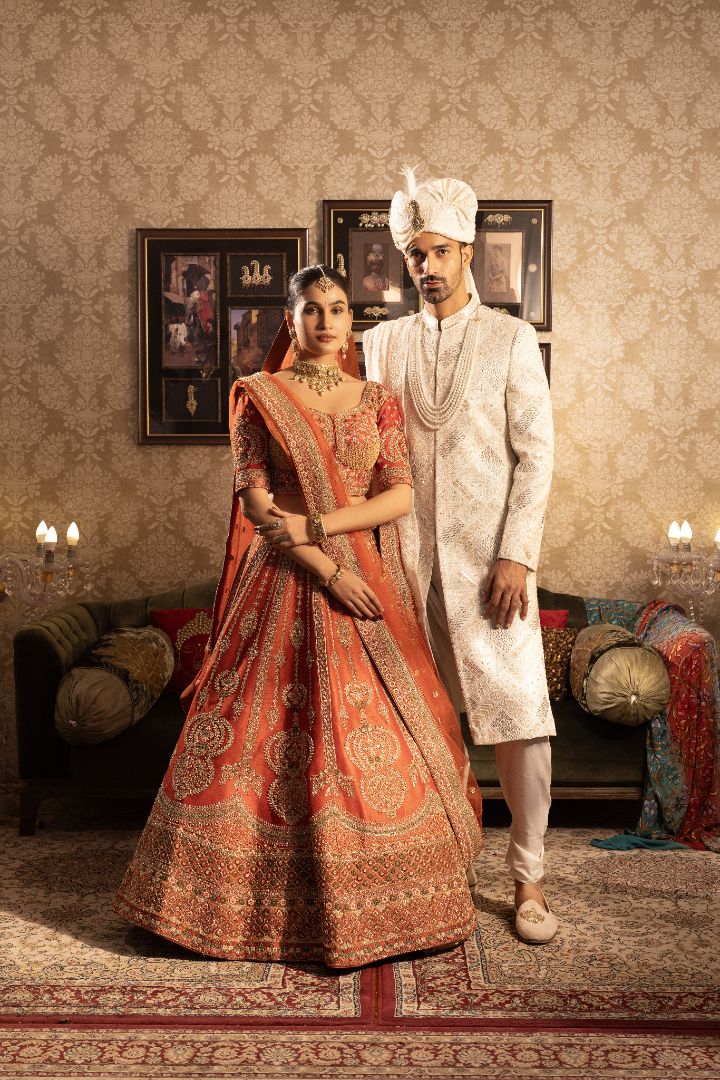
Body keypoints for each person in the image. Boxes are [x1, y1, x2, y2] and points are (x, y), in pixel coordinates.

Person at [114, 264, 483, 968]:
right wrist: (329, 565)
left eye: (338, 309)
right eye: (311, 309)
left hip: (362, 570)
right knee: (262, 734)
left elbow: (400, 495)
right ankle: (229, 908)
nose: (325, 321)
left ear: (352, 322)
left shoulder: (380, 400)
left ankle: (393, 903)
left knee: (378, 734)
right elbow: (255, 502)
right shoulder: (260, 397)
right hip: (286, 577)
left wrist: (323, 525)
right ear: (291, 319)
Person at [363, 170, 557, 944]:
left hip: (489, 569)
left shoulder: (510, 339)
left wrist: (516, 554)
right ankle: (430, 872)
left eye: (440, 250)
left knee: (520, 719)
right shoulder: (383, 343)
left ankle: (529, 879)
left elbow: (536, 456)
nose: (428, 267)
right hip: (405, 567)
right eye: (415, 254)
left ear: (468, 249)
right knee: (414, 719)